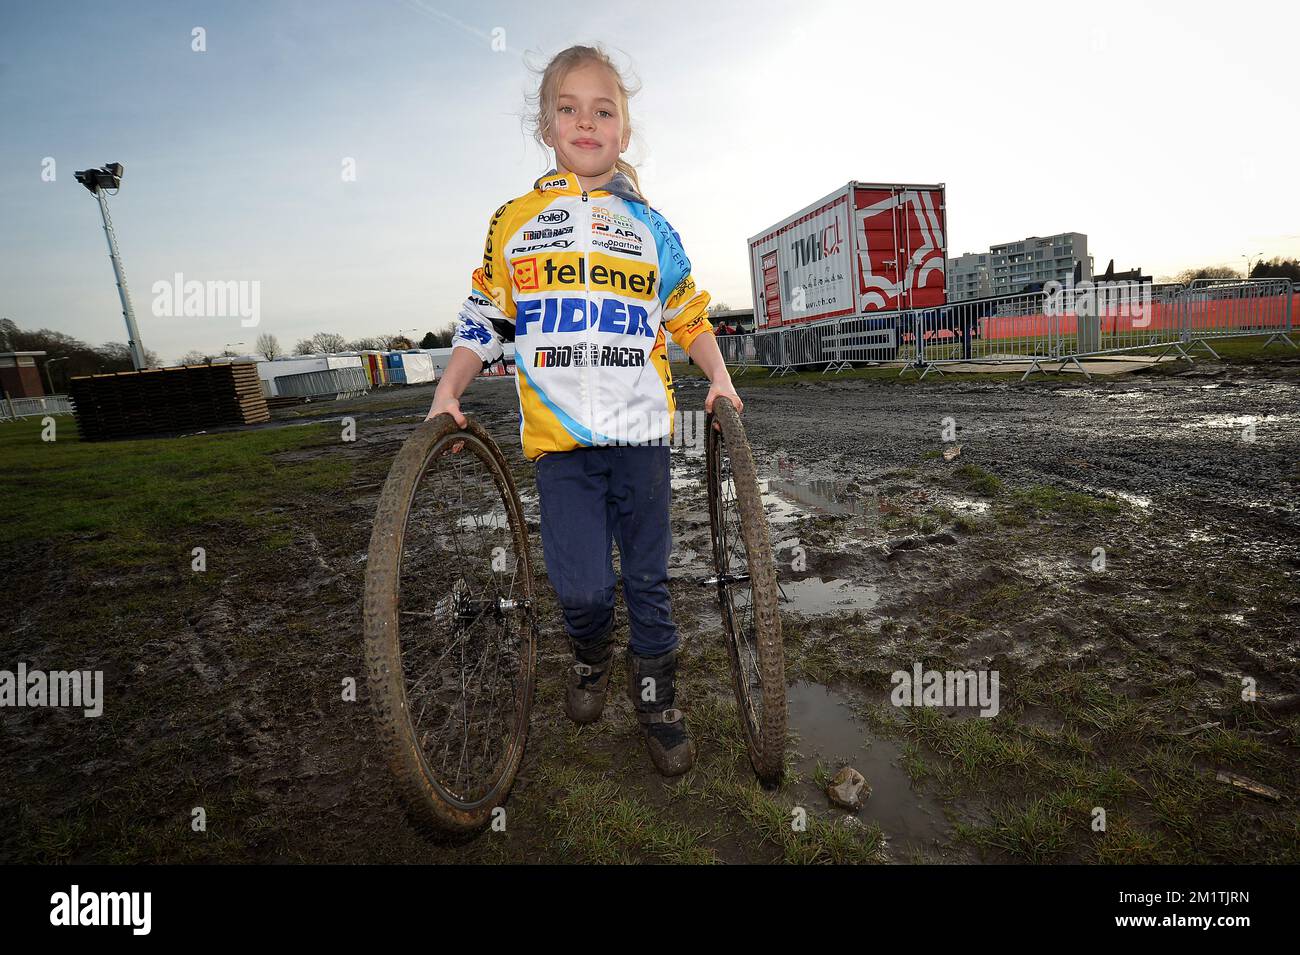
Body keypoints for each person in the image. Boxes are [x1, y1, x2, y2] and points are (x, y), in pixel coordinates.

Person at [425, 44, 743, 776]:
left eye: (604, 110)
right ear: (546, 125)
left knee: (648, 579)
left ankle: (659, 702)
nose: (586, 121)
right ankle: (591, 654)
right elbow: (485, 315)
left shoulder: (652, 227)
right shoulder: (512, 221)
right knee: (582, 587)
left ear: (624, 131)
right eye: (568, 108)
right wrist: (449, 390)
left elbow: (689, 313)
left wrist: (719, 379)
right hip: (559, 447)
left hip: (642, 438)